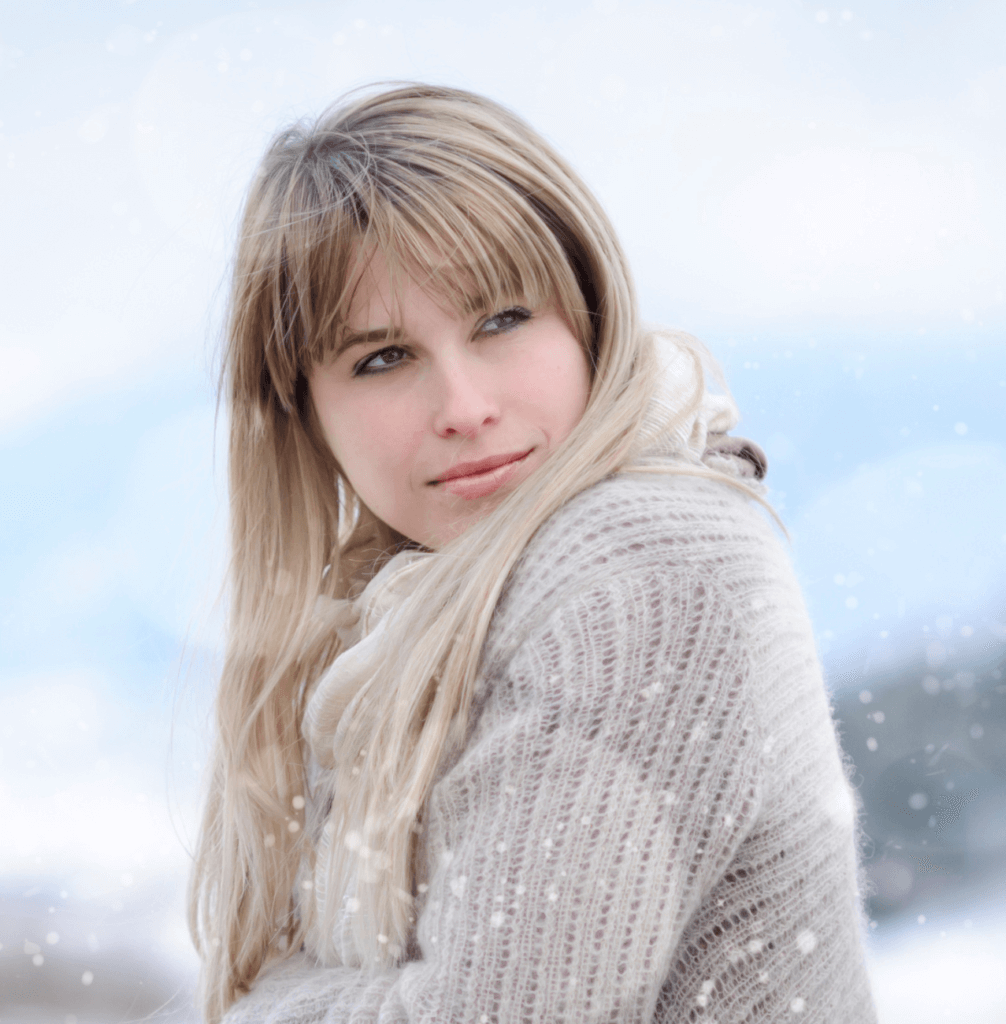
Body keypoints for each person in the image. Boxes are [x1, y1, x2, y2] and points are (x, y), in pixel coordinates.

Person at [189, 83, 878, 1023]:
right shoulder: (395, 621)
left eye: (502, 320)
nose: (465, 405)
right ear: (302, 411)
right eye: (382, 358)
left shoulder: (642, 567)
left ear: (589, 311)